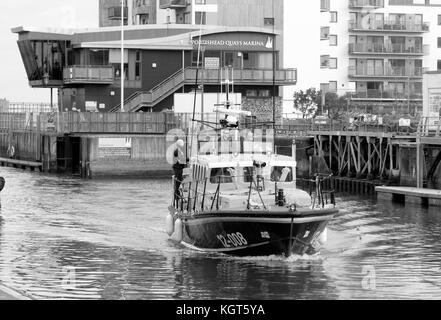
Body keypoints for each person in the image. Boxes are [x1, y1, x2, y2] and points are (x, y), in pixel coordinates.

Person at [173, 140, 187, 206]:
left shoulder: (179, 151)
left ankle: (178, 195)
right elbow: (181, 159)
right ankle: (177, 196)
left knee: (179, 182)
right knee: (178, 183)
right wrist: (187, 159)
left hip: (179, 168)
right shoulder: (177, 151)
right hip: (178, 169)